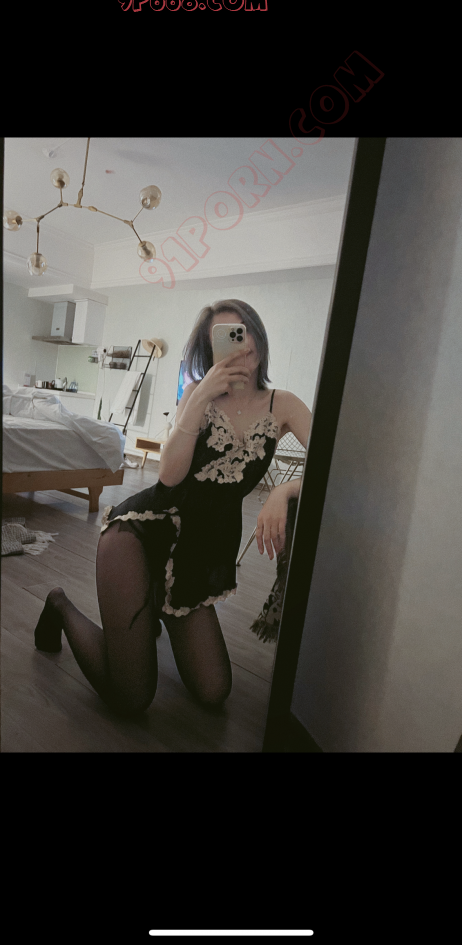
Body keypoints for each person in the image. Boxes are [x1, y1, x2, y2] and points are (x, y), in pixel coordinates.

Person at [34, 300, 311, 716]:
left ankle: (155, 608)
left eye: (245, 330)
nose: (241, 345)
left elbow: (336, 464)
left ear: (258, 335)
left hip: (195, 555)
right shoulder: (197, 396)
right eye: (226, 337)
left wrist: (285, 489)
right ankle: (59, 604)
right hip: (139, 536)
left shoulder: (283, 404)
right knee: (131, 698)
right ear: (210, 350)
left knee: (214, 691)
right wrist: (201, 395)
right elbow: (168, 477)